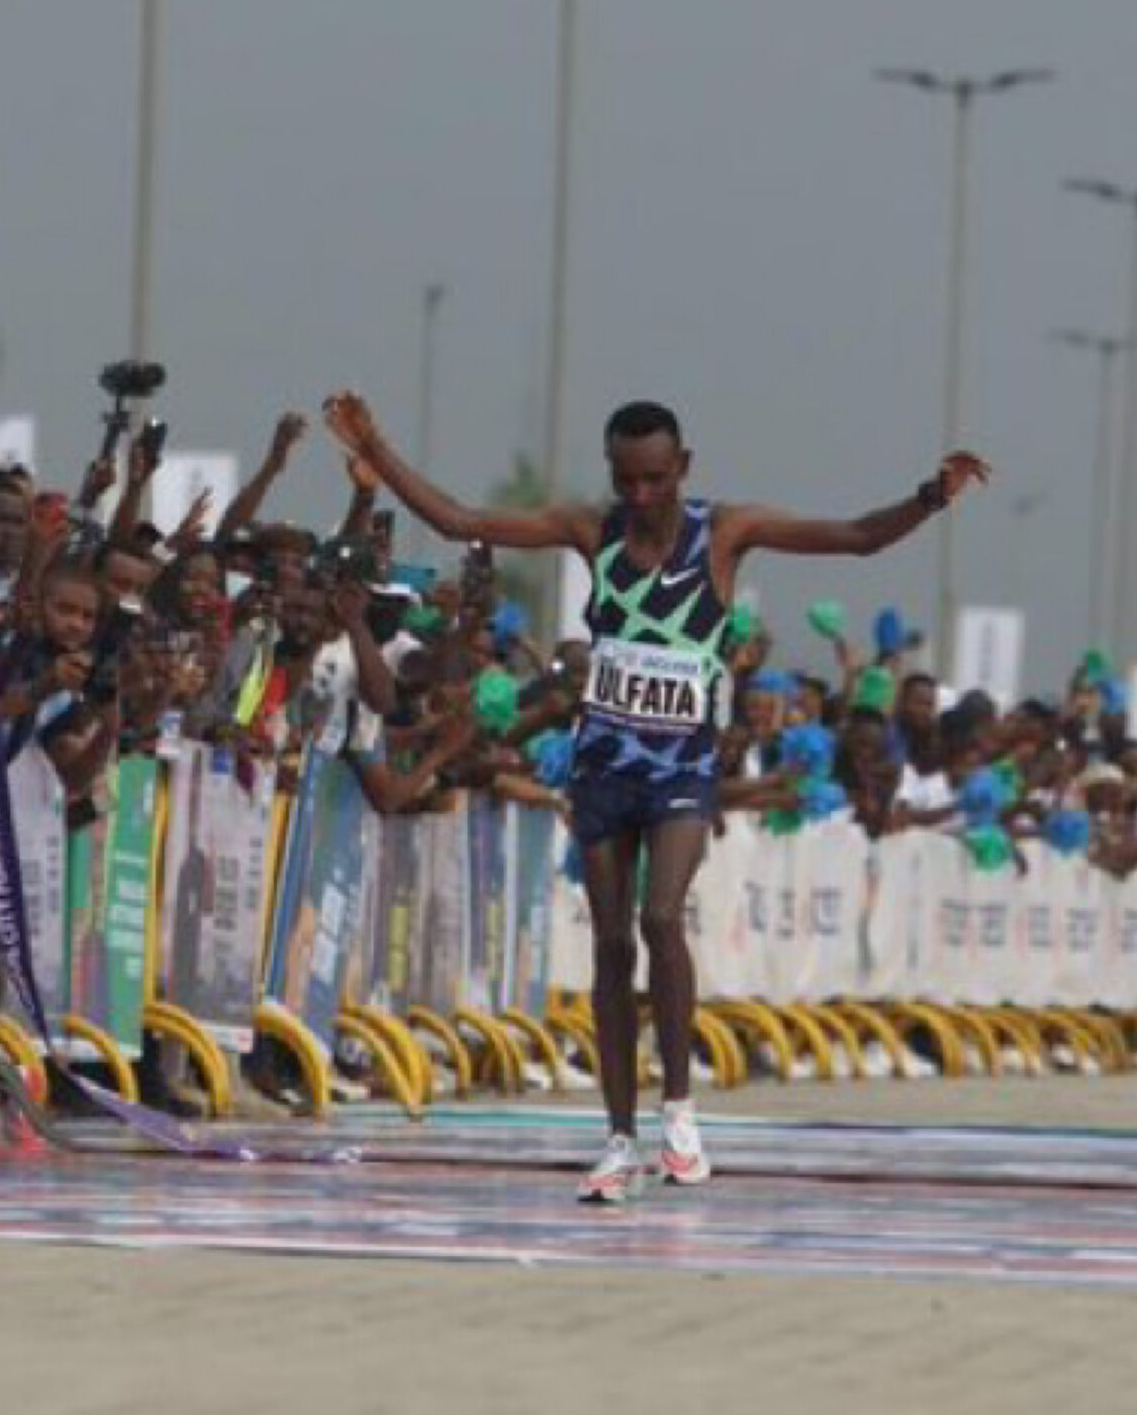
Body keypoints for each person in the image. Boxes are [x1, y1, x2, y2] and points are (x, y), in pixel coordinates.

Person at [322, 389, 988, 1203]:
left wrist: (929, 496)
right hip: (604, 764)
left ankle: (680, 1113)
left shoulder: (726, 532)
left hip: (680, 769)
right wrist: (377, 447)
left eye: (654, 479)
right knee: (609, 946)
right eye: (625, 479)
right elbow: (462, 521)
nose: (639, 496)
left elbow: (851, 539)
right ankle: (616, 1138)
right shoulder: (587, 531)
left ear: (684, 468)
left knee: (662, 916)